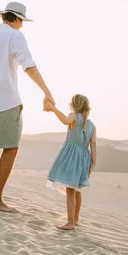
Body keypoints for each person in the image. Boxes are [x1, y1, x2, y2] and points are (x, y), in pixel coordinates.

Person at [0, 2, 55, 212]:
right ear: (16, 19)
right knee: (10, 148)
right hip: (5, 100)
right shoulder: (15, 36)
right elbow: (28, 65)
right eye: (22, 22)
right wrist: (47, 92)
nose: (22, 26)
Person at [45, 94, 97, 230]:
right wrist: (94, 161)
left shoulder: (74, 116)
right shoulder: (92, 125)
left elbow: (64, 120)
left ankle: (69, 222)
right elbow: (94, 144)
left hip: (71, 157)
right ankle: (75, 219)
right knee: (77, 190)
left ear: (74, 105)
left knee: (70, 190)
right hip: (83, 158)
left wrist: (54, 109)